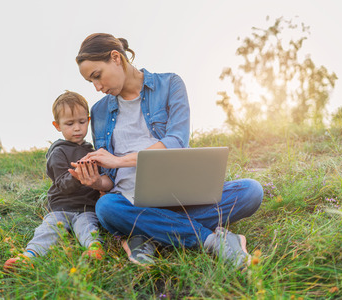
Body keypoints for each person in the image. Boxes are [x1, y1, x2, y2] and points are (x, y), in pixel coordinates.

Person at [71, 33, 263, 268]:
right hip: (130, 203)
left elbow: (176, 141)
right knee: (106, 208)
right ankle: (213, 240)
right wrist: (96, 183)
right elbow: (110, 179)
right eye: (91, 82)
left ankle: (148, 234)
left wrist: (119, 161)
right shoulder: (99, 111)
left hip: (181, 196)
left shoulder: (170, 84)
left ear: (115, 58)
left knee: (251, 191)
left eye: (97, 76)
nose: (98, 87)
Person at [3, 91, 105, 271]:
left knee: (88, 226)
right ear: (57, 126)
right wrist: (78, 175)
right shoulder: (58, 152)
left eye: (82, 122)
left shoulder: (92, 150)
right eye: (69, 123)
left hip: (86, 207)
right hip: (61, 207)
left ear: (88, 120)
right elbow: (63, 184)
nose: (77, 128)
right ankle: (29, 256)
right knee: (48, 229)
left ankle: (94, 250)